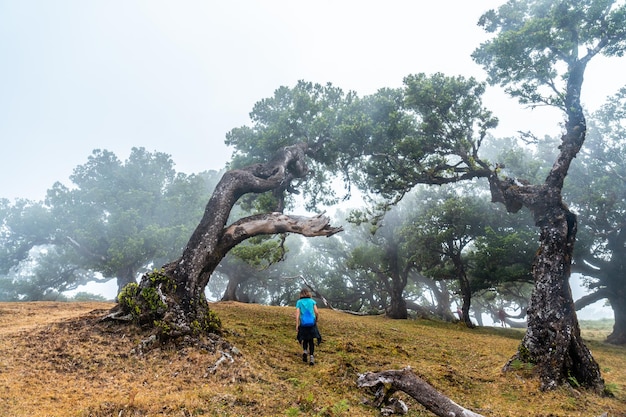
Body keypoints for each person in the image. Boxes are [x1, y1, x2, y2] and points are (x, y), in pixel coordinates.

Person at [296, 288, 320, 366]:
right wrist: (316, 320)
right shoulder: (312, 301)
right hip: (311, 323)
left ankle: (305, 351)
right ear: (308, 293)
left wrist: (297, 324)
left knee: (305, 339)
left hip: (303, 324)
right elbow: (317, 312)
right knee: (311, 341)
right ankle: (312, 357)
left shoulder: (299, 302)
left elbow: (297, 315)